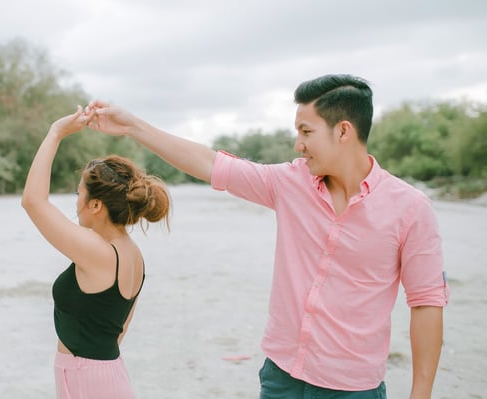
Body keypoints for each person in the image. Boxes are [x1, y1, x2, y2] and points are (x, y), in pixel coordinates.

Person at [81, 74, 449, 399]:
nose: (298, 145)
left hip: (355, 390)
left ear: (343, 131)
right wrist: (132, 126)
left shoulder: (411, 209)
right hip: (281, 378)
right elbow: (210, 164)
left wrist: (421, 394)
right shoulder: (290, 183)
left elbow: (427, 303)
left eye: (306, 132)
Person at [21, 107, 171, 399]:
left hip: (87, 379)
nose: (76, 201)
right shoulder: (132, 254)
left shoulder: (99, 253)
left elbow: (33, 202)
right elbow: (118, 332)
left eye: (79, 193)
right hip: (103, 375)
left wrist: (55, 132)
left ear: (96, 205)